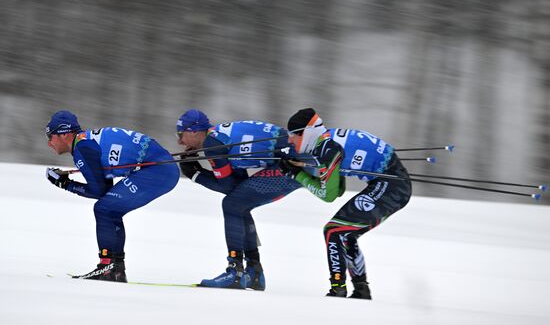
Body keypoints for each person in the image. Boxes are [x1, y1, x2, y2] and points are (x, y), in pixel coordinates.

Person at [280, 108, 412, 299]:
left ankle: (338, 289)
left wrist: (296, 174)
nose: (290, 141)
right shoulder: (325, 142)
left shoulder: (327, 150)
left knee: (334, 231)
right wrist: (304, 168)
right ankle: (360, 290)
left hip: (393, 186)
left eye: (293, 136)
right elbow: (338, 188)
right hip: (391, 181)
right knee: (344, 233)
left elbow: (329, 194)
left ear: (306, 133)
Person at [45, 110, 180, 282]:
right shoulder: (86, 142)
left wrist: (65, 184)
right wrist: (68, 183)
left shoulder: (83, 148)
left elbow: (99, 191)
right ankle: (115, 269)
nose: (49, 143)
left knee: (104, 208)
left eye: (50, 136)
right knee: (109, 209)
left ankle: (108, 267)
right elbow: (104, 188)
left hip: (156, 170)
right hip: (160, 168)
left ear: (64, 134)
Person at [175, 109, 302, 290]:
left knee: (232, 203)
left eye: (181, 134)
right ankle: (254, 272)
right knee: (239, 203)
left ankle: (236, 272)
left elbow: (227, 186)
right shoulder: (218, 137)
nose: (180, 142)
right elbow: (236, 185)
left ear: (194, 131)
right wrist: (198, 172)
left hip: (291, 167)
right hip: (296, 163)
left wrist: (195, 174)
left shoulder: (212, 143)